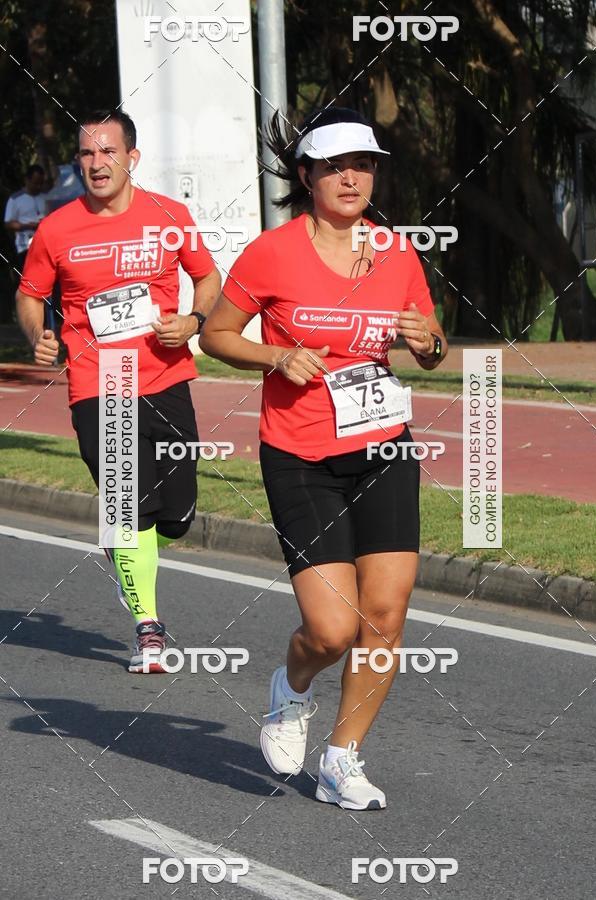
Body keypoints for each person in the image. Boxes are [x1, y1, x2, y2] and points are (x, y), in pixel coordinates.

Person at [199, 107, 447, 810]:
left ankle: (342, 757)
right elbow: (217, 333)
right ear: (306, 175)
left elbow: (432, 342)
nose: (350, 178)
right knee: (333, 629)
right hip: (301, 453)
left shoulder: (396, 251)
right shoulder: (273, 253)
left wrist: (426, 342)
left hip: (382, 448)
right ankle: (292, 687)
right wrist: (276, 353)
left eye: (362, 165)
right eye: (335, 166)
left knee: (387, 615)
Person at [16, 109, 221, 672]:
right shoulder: (57, 227)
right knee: (126, 508)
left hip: (166, 376)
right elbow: (31, 295)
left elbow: (207, 276)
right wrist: (40, 335)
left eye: (108, 152)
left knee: (175, 513)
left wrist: (195, 320)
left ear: (132, 157)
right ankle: (148, 627)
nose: (96, 163)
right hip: (97, 381)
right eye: (86, 153)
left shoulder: (169, 216)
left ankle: (153, 535)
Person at [4, 164, 49, 319]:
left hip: (46, 244)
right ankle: (28, 316)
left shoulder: (44, 197)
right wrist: (25, 226)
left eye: (40, 183)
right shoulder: (16, 199)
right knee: (30, 282)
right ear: (27, 180)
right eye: (35, 182)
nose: (38, 186)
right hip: (25, 245)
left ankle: (48, 315)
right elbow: (8, 222)